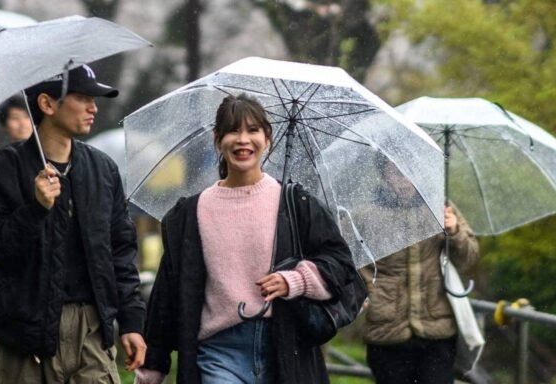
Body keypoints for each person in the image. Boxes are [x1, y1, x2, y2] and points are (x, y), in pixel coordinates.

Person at [135, 94, 358, 384]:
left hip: (286, 349)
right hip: (218, 352)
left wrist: (294, 281)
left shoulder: (295, 203)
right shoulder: (190, 213)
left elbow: (340, 264)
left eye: (253, 130)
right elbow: (167, 292)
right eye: (232, 131)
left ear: (267, 138)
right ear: (218, 140)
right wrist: (152, 368)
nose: (243, 140)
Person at [0, 64, 146, 383]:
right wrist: (34, 210)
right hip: (26, 335)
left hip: (92, 329)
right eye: (83, 98)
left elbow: (120, 251)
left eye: (94, 99)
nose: (93, 108)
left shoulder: (102, 169)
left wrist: (132, 321)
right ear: (47, 104)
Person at [363, 201, 480, 384]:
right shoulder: (364, 210)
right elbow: (348, 260)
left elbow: (468, 259)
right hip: (386, 331)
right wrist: (368, 291)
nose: (404, 184)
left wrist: (455, 232)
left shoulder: (441, 204)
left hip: (437, 331)